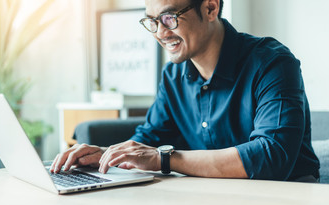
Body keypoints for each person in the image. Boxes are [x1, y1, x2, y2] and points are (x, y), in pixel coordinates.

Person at [51, 0, 320, 182]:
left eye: (169, 18)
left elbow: (272, 156)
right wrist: (106, 154)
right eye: (152, 21)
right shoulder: (173, 76)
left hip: (284, 199)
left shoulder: (272, 62)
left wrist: (164, 159)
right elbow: (148, 139)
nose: (160, 33)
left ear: (210, 8)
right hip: (209, 200)